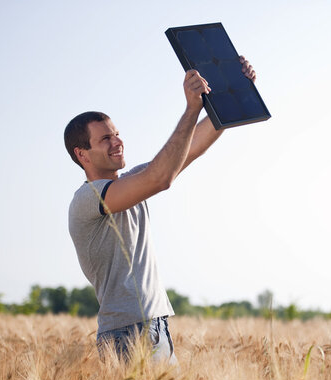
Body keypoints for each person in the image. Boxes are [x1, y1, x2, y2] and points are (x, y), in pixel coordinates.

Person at [64, 56, 257, 363]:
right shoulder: (88, 198)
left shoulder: (132, 182)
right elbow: (160, 177)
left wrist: (232, 89)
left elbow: (189, 148)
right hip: (126, 334)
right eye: (105, 139)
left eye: (116, 133)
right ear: (82, 154)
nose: (117, 142)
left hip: (155, 326)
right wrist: (191, 109)